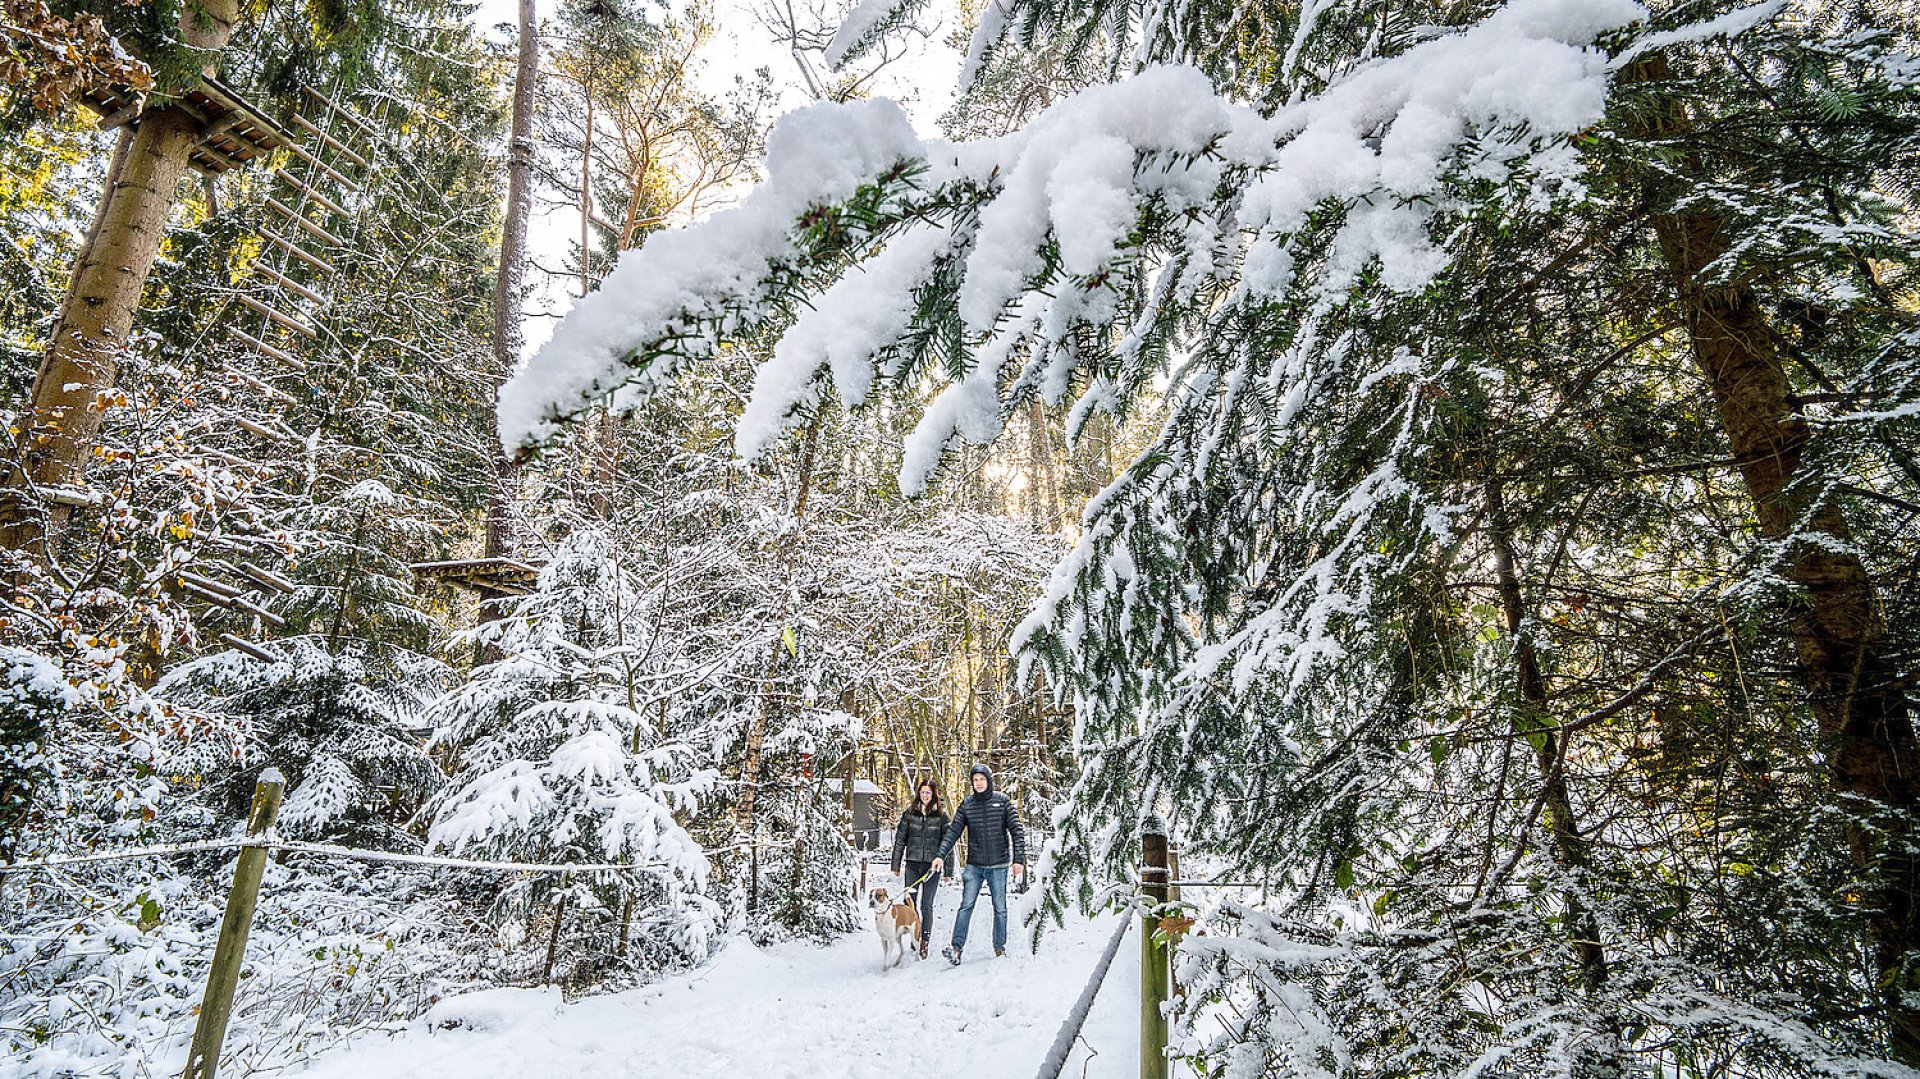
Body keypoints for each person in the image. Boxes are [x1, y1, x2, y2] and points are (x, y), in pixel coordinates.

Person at [931, 763, 1026, 964]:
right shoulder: (967, 805)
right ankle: (956, 948)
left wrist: (1019, 859)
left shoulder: (1003, 802)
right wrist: (940, 855)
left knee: (1000, 908)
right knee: (966, 905)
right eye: (975, 780)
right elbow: (952, 833)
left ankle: (999, 947)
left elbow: (1017, 831)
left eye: (982, 779)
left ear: (988, 780)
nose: (979, 783)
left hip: (999, 865)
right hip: (974, 865)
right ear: (972, 783)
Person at [891, 779, 952, 960]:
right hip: (912, 863)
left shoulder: (942, 817)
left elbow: (948, 844)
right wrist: (896, 864)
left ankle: (924, 942)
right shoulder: (909, 814)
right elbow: (900, 839)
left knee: (927, 905)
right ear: (919, 793)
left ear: (934, 795)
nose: (925, 796)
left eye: (928, 793)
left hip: (932, 867)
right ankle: (914, 934)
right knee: (910, 902)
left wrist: (948, 871)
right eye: (923, 792)